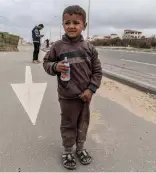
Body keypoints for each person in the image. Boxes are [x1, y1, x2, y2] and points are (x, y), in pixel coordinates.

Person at [43, 5, 102, 170]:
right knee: (68, 123)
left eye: (76, 22)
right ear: (63, 25)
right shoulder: (57, 47)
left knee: (83, 123)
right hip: (67, 96)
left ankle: (80, 149)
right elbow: (46, 63)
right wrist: (55, 67)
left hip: (85, 96)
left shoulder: (89, 49)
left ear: (84, 25)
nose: (71, 26)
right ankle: (68, 151)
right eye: (67, 22)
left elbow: (97, 72)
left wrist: (91, 89)